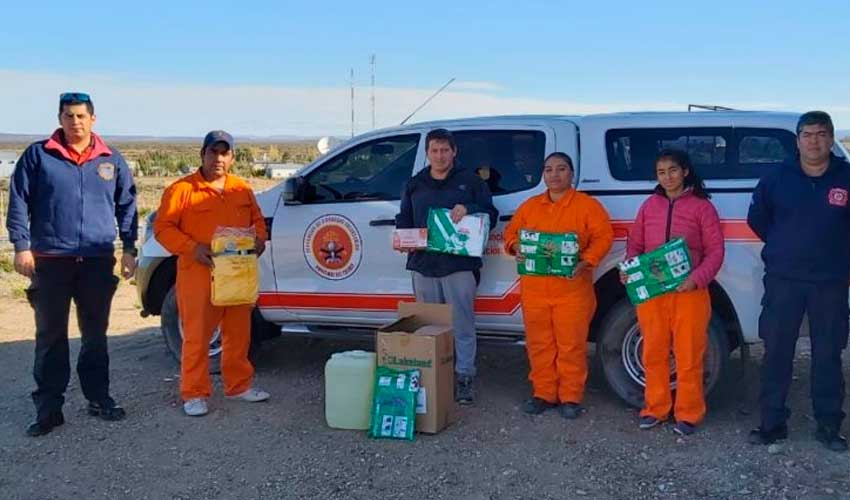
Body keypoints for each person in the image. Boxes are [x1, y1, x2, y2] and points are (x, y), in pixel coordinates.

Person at [6, 92, 138, 436]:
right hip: (51, 261)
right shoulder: (39, 155)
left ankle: (99, 398)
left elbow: (127, 206)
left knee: (95, 335)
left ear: (93, 119)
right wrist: (21, 246)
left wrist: (129, 248)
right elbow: (18, 201)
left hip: (96, 260)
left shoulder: (111, 159)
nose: (75, 122)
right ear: (60, 119)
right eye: (68, 116)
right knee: (50, 336)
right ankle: (49, 409)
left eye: (81, 116)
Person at [747, 111, 850, 451]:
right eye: (807, 134)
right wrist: (784, 247)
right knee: (776, 352)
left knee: (828, 354)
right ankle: (772, 423)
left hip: (830, 282)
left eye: (821, 134)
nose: (814, 141)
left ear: (831, 137)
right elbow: (758, 220)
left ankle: (829, 425)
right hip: (784, 280)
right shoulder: (776, 177)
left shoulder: (846, 177)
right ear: (797, 140)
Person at [153, 130, 270, 417]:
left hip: (237, 274)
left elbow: (257, 222)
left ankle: (239, 385)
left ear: (231, 157)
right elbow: (163, 228)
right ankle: (194, 393)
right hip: (199, 274)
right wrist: (192, 248)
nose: (218, 158)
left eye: (224, 153)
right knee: (196, 336)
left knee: (238, 333)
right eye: (212, 152)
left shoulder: (241, 189)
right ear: (202, 155)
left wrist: (259, 240)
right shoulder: (181, 190)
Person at [623, 149, 724, 436]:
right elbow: (636, 245)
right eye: (661, 172)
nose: (667, 177)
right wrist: (630, 268)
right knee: (653, 352)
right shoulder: (649, 206)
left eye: (672, 170)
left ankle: (689, 413)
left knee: (689, 354)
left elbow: (715, 252)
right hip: (654, 294)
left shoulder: (702, 207)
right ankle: (655, 408)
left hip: (689, 293)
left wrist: (696, 279)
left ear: (685, 172)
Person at [505, 152, 613, 419]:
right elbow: (511, 234)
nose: (555, 175)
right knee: (539, 344)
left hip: (572, 290)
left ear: (571, 173)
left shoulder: (587, 206)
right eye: (549, 169)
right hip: (535, 290)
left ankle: (571, 397)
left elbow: (603, 237)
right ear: (543, 174)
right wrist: (516, 247)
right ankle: (543, 394)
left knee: (571, 345)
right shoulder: (530, 206)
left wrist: (587, 261)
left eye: (561, 169)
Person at [396, 128, 499, 404]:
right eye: (434, 150)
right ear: (427, 153)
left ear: (454, 152)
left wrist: (470, 208)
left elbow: (491, 213)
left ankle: (464, 376)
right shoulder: (414, 184)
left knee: (462, 324)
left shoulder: (470, 181)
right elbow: (404, 219)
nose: (439, 155)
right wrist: (402, 239)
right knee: (427, 325)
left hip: (459, 266)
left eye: (444, 150)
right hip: (423, 265)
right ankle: (431, 377)